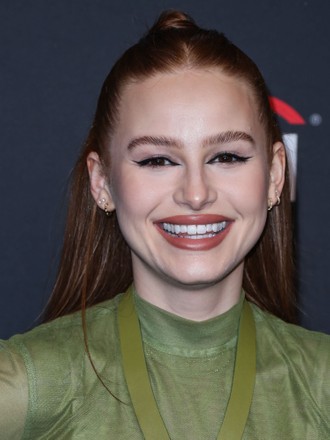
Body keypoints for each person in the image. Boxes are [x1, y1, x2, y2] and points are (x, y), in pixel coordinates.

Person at [0, 9, 329, 440]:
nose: (196, 193)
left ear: (274, 178)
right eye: (157, 160)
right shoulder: (29, 383)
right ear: (102, 183)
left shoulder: (320, 383)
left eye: (226, 156)